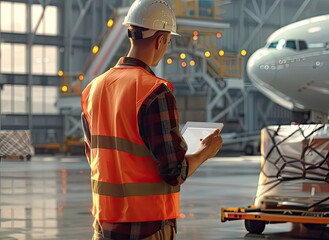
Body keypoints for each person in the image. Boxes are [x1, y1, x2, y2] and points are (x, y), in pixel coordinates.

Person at [80, 0, 223, 239]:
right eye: (168, 41)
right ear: (161, 40)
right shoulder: (155, 92)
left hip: (103, 225)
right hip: (147, 227)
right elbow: (174, 171)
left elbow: (95, 156)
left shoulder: (93, 89)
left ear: (131, 34)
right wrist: (204, 153)